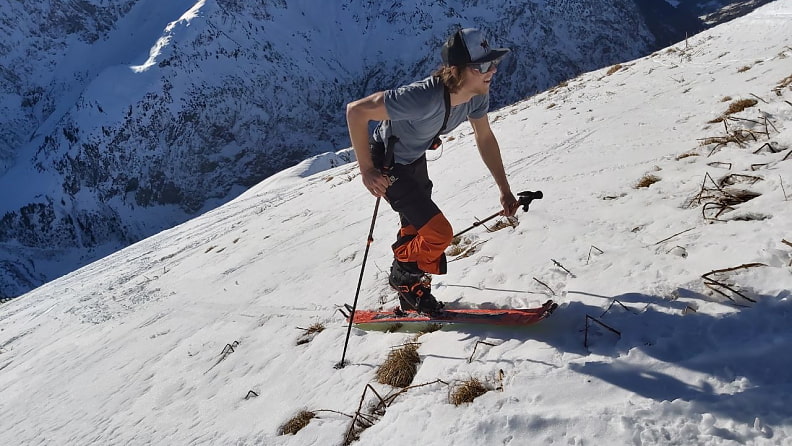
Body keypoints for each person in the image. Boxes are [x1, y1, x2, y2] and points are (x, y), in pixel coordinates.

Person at [345, 28, 519, 314]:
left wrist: (504, 190)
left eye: (494, 63)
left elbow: (485, 138)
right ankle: (403, 273)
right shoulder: (423, 97)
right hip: (387, 161)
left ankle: (412, 292)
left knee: (416, 227)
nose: (493, 70)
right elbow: (356, 111)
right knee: (438, 234)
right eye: (484, 65)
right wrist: (366, 171)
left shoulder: (476, 96)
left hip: (413, 158)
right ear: (458, 69)